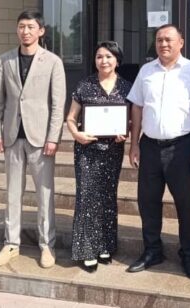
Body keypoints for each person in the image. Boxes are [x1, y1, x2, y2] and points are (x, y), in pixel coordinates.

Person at [126, 24, 190, 280]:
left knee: (185, 205)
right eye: (159, 40)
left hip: (182, 147)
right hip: (150, 146)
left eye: (168, 40)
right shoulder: (146, 71)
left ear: (180, 43)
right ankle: (152, 251)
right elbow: (137, 107)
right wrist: (134, 143)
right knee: (148, 202)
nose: (163, 44)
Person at [0, 10, 66, 268]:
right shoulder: (5, 60)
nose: (25, 31)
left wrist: (53, 137)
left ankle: (47, 245)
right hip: (12, 137)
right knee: (12, 193)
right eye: (21, 26)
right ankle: (11, 243)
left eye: (31, 27)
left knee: (44, 194)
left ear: (41, 31)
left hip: (41, 139)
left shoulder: (53, 62)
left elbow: (57, 104)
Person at [66, 41, 131, 272]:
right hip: (87, 149)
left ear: (117, 61)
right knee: (86, 196)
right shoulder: (84, 85)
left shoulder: (126, 87)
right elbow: (71, 118)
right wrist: (76, 134)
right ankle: (86, 249)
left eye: (108, 56)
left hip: (113, 150)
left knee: (107, 196)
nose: (104, 61)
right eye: (99, 57)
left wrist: (125, 132)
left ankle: (105, 244)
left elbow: (132, 120)